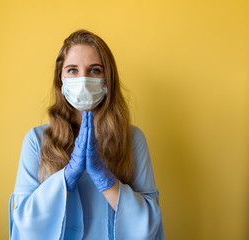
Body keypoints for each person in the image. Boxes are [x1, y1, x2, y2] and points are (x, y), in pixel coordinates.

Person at [9, 29, 165, 240]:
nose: (83, 80)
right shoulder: (36, 140)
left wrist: (105, 180)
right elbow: (23, 224)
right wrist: (66, 177)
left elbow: (149, 224)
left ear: (108, 80)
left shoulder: (132, 139)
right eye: (73, 70)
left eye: (94, 70)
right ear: (60, 80)